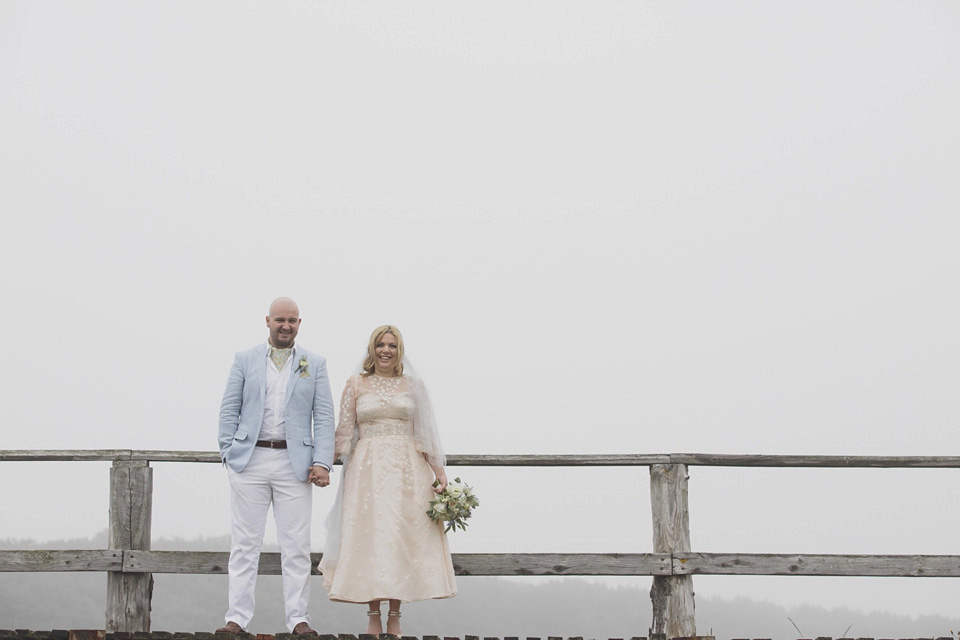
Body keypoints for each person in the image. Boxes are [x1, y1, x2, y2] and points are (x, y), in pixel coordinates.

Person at [319, 325, 457, 635]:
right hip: (366, 468)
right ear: (371, 349)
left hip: (408, 468)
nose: (386, 350)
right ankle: (372, 612)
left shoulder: (413, 385)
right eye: (380, 344)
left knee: (399, 537)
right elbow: (343, 432)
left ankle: (395, 614)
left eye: (392, 345)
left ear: (400, 350)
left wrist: (440, 472)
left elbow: (425, 433)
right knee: (368, 536)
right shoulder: (355, 384)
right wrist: (321, 464)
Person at [217, 297, 335, 635]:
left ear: (300, 324)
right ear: (267, 321)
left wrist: (322, 461)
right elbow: (229, 408)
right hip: (249, 459)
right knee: (244, 542)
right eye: (280, 319)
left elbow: (324, 417)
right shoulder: (245, 359)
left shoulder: (315, 363)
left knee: (296, 544)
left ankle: (299, 619)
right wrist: (228, 452)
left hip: (293, 463)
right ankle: (236, 618)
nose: (286, 326)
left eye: (292, 321)